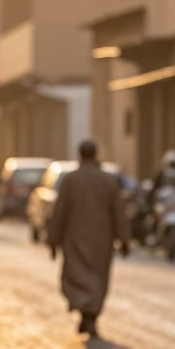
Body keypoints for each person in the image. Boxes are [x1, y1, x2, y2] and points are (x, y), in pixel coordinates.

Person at [47, 139, 128, 338]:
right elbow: (119, 212)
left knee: (78, 275)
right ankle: (91, 315)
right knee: (98, 278)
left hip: (74, 238)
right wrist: (124, 238)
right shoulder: (108, 181)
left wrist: (53, 239)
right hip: (102, 240)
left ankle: (86, 313)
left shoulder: (70, 181)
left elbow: (59, 213)